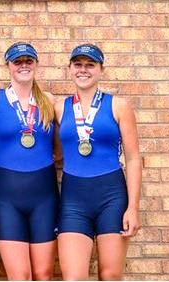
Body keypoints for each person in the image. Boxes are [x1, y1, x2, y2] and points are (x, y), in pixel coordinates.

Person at [55, 44, 141, 280]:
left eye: (90, 65)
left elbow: (133, 159)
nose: (83, 70)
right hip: (73, 200)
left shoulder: (118, 106)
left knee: (110, 275)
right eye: (78, 65)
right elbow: (55, 152)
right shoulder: (58, 108)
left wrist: (133, 207)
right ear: (70, 69)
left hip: (111, 197)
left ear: (101, 69)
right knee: (74, 277)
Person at [0, 42, 60, 280]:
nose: (23, 65)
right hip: (5, 197)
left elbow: (58, 148)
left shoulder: (49, 101)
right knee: (19, 275)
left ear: (36, 64)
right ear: (8, 66)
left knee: (44, 274)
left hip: (44, 195)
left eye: (28, 61)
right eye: (17, 61)